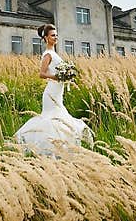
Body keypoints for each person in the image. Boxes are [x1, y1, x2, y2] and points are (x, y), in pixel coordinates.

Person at [14, 23, 93, 157]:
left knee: (60, 120)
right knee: (53, 120)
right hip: (51, 93)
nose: (55, 37)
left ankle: (60, 150)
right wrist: (58, 77)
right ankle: (50, 152)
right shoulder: (48, 54)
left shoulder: (55, 53)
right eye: (52, 35)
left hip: (58, 92)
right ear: (45, 38)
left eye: (56, 35)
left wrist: (67, 76)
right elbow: (42, 74)